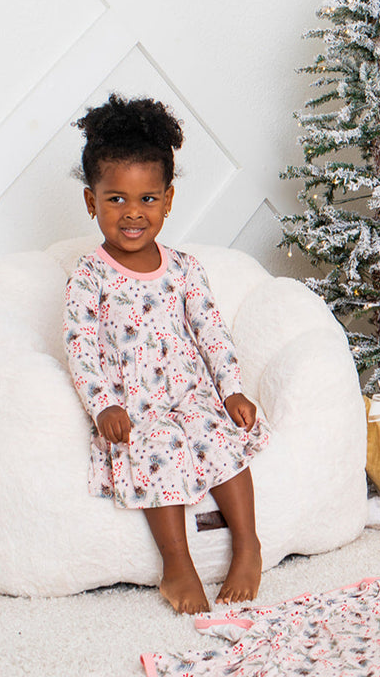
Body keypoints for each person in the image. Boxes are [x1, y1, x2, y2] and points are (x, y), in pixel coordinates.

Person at [63, 93, 269, 615]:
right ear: (92, 202)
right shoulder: (90, 275)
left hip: (193, 392)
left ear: (169, 199)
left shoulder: (184, 268)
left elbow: (212, 334)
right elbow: (81, 346)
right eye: (115, 200)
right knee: (155, 448)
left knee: (219, 436)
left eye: (148, 200)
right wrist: (103, 406)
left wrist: (232, 390)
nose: (133, 213)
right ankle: (176, 563)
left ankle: (249, 545)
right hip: (136, 404)